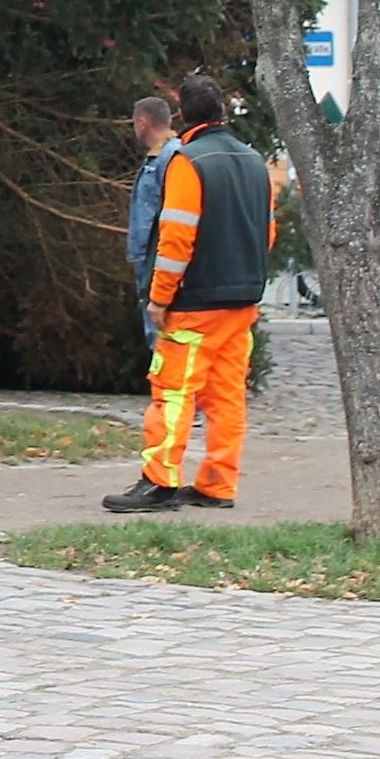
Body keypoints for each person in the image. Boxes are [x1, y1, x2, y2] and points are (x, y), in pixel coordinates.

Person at [106, 74, 274, 513]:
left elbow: (176, 238)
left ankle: (159, 481)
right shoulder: (255, 162)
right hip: (241, 302)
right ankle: (219, 482)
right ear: (221, 112)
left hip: (194, 304)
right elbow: (266, 232)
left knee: (174, 392)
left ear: (182, 114)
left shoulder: (188, 162)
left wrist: (160, 298)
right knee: (227, 396)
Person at [124, 97, 177, 343]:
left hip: (156, 262)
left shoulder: (167, 159)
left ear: (143, 123)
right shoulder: (165, 157)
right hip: (155, 260)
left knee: (160, 338)